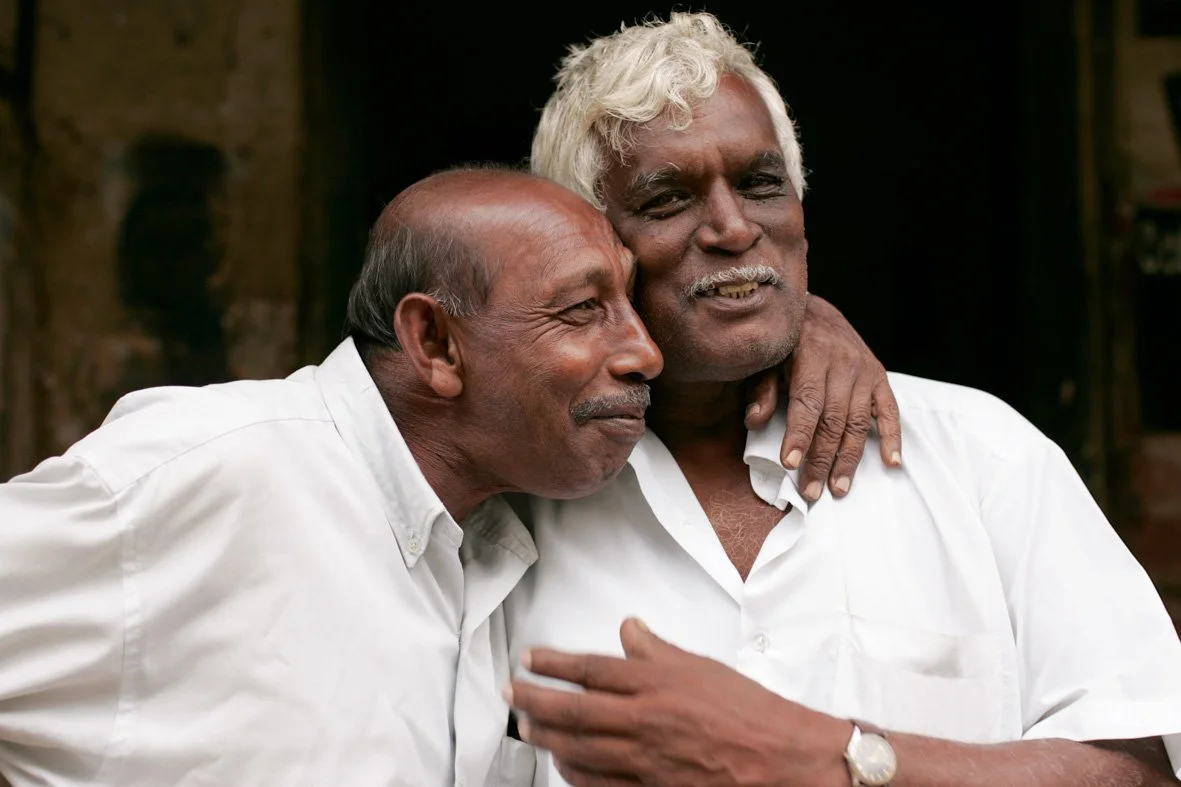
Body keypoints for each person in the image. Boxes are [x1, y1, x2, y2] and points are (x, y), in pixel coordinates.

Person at [0, 163, 897, 787]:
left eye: (628, 301)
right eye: (583, 310)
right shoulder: (215, 471)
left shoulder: (490, 543)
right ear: (433, 342)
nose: (644, 352)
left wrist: (800, 324)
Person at [503, 12, 1181, 787]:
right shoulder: (512, 505)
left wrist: (835, 757)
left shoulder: (980, 456)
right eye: (667, 199)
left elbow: (1143, 769)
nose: (731, 227)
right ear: (586, 247)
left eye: (759, 184)